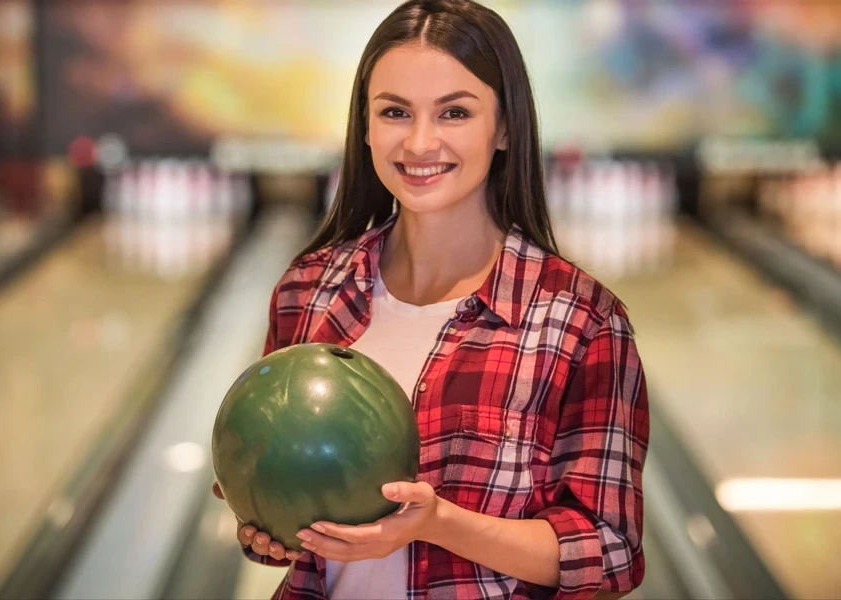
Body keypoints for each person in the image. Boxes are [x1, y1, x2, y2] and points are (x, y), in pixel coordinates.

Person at [212, 1, 648, 598]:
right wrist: (267, 521)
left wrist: (439, 524)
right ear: (364, 125)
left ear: (503, 128)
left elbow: (612, 550)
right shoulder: (307, 291)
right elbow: (284, 523)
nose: (420, 142)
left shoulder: (582, 322)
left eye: (454, 113)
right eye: (394, 112)